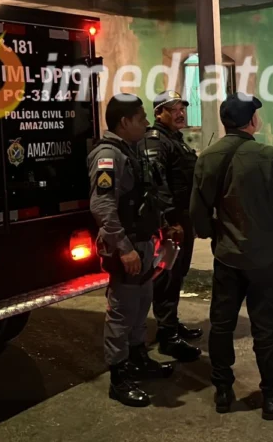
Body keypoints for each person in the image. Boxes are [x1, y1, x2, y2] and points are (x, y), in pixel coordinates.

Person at [190, 93, 273, 421]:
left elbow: (197, 213)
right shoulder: (267, 156)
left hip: (227, 257)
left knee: (222, 324)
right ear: (251, 121)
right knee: (266, 328)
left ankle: (223, 390)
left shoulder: (207, 158)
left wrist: (212, 233)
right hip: (263, 259)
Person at [89, 94, 175, 408]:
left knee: (141, 304)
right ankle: (119, 376)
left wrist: (163, 227)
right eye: (141, 118)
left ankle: (138, 358)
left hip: (143, 243)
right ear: (124, 122)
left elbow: (145, 196)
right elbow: (102, 206)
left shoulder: (131, 150)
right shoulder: (108, 156)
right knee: (122, 312)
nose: (147, 123)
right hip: (126, 246)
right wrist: (124, 249)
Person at [139, 91, 202, 362]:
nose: (180, 113)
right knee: (167, 276)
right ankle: (167, 336)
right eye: (173, 109)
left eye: (182, 108)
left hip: (183, 218)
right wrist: (170, 221)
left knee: (178, 273)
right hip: (170, 222)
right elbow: (157, 183)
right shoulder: (156, 140)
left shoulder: (175, 139)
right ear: (158, 113)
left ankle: (172, 324)